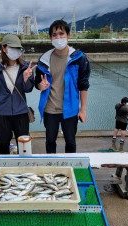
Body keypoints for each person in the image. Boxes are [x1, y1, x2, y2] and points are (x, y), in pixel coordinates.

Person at [35, 20, 90, 153]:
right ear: (50, 38)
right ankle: (51, 168)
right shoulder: (44, 59)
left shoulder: (79, 58)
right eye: (54, 35)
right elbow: (38, 83)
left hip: (70, 108)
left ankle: (69, 168)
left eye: (61, 33)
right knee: (50, 141)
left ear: (68, 35)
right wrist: (41, 86)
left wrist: (83, 109)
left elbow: (83, 85)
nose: (58, 37)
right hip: (50, 109)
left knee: (70, 142)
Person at [0, 34, 35, 154]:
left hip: (21, 112)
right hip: (2, 113)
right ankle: (6, 169)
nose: (16, 51)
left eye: (18, 48)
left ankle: (24, 169)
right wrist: (0, 104)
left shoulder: (26, 68)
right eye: (12, 47)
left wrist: (26, 78)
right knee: (3, 143)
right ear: (4, 48)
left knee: (24, 144)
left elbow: (28, 89)